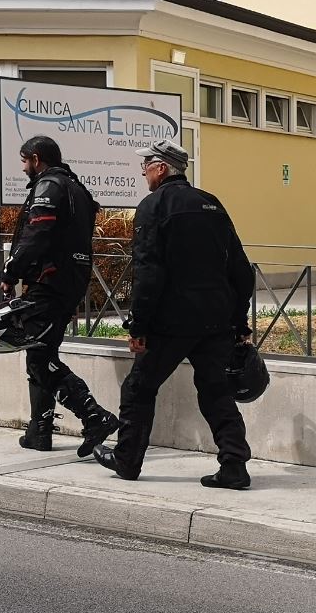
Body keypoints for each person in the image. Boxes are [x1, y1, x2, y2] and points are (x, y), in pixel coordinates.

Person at [93, 140, 257, 489]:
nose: (143, 172)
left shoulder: (153, 206)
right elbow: (241, 270)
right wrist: (239, 320)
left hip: (172, 322)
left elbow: (148, 272)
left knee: (138, 388)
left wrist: (139, 326)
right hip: (215, 320)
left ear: (162, 168)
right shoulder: (212, 203)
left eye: (147, 165)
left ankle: (127, 459)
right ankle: (234, 465)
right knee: (216, 392)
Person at [2, 136, 120, 456]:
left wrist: (11, 272)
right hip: (70, 280)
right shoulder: (77, 188)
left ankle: (94, 416)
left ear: (36, 159)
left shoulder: (49, 186)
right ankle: (39, 430)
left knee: (40, 358)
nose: (23, 168)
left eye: (24, 161)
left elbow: (37, 233)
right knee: (40, 351)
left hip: (49, 281)